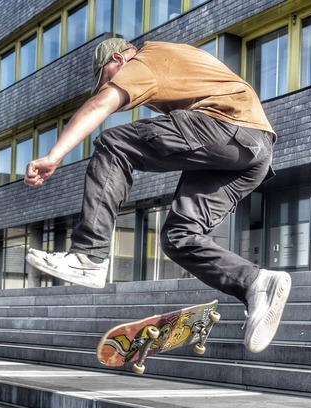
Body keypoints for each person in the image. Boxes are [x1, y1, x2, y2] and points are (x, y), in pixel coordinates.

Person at [24, 37, 291, 353]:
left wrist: (53, 156)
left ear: (120, 58)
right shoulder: (172, 62)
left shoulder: (144, 60)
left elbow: (98, 106)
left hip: (228, 128)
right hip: (251, 152)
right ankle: (256, 284)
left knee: (113, 143)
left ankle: (88, 256)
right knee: (180, 236)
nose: (110, 84)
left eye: (108, 76)